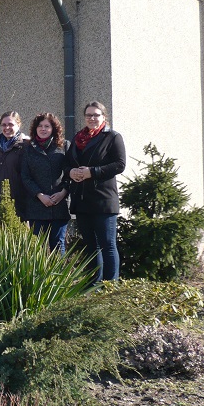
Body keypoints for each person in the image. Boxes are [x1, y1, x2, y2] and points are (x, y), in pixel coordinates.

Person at [67, 101, 126, 282]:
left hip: (103, 201)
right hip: (82, 201)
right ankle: (94, 285)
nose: (92, 118)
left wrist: (92, 172)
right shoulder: (78, 138)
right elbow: (67, 163)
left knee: (107, 245)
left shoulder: (113, 137)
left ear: (103, 117)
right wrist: (71, 172)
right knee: (91, 247)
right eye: (88, 115)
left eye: (96, 115)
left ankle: (111, 286)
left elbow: (119, 164)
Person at [21, 112, 70, 253]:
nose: (43, 129)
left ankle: (59, 270)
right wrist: (40, 195)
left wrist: (63, 193)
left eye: (47, 126)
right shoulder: (28, 148)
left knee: (58, 246)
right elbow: (25, 176)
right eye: (40, 126)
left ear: (53, 128)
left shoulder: (64, 146)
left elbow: (69, 173)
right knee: (38, 248)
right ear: (35, 128)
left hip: (58, 204)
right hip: (36, 206)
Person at [0, 111, 29, 223]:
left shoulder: (25, 146)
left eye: (11, 124)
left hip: (17, 205)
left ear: (18, 125)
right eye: (4, 125)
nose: (7, 128)